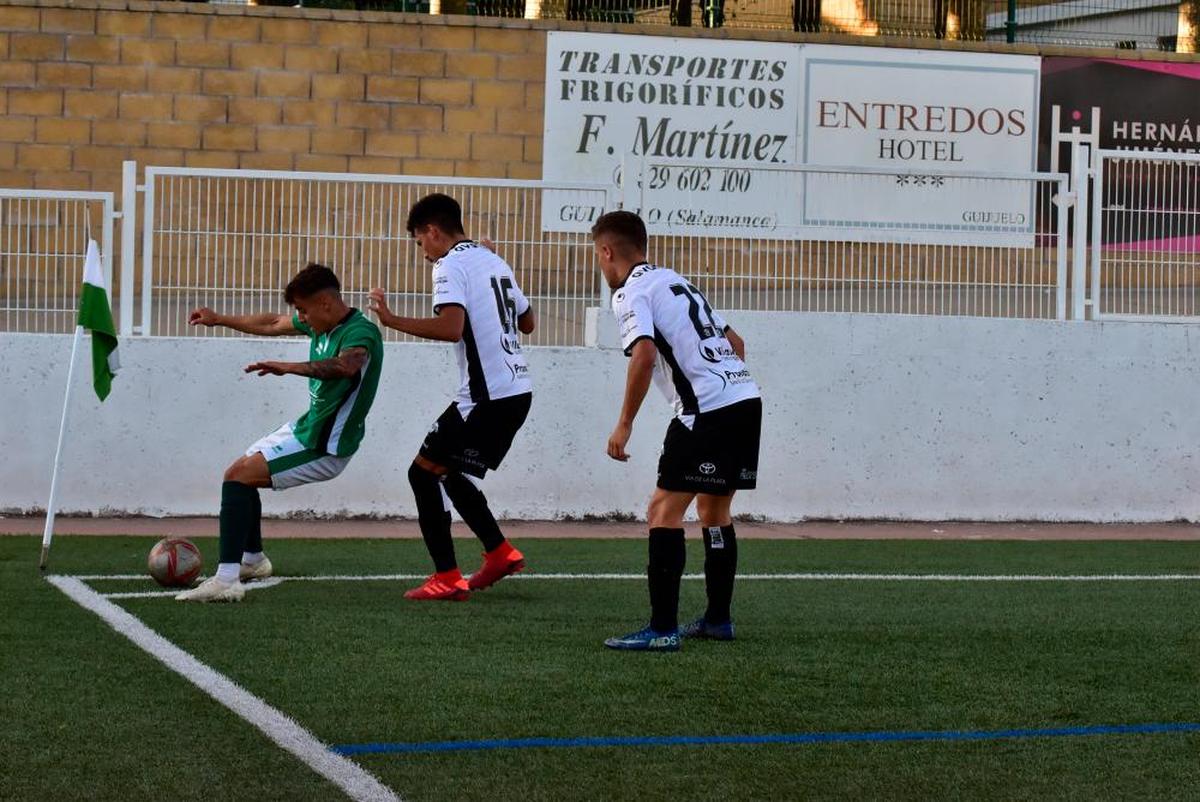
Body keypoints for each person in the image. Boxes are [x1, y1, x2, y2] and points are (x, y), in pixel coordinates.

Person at [591, 211, 762, 651]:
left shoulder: (630, 292)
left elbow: (643, 355)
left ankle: (662, 628)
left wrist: (624, 423)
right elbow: (736, 344)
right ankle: (717, 620)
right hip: (745, 400)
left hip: (706, 413)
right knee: (714, 513)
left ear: (607, 252)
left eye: (599, 256)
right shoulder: (675, 280)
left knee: (661, 512)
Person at [177, 263, 384, 602]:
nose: (300, 317)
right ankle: (253, 561)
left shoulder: (360, 333)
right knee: (243, 472)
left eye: (303, 309)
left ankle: (226, 580)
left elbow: (345, 366)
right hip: (306, 428)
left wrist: (288, 368)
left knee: (237, 477)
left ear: (327, 304)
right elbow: (273, 322)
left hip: (326, 445)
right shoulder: (321, 322)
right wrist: (221, 319)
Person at [369, 193, 533, 601]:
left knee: (422, 473)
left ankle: (446, 577)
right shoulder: (492, 260)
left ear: (432, 231)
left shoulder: (449, 265)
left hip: (484, 396)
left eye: (419, 241)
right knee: (453, 475)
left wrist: (391, 320)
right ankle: (499, 552)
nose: (423, 253)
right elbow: (528, 322)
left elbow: (450, 328)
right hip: (517, 392)